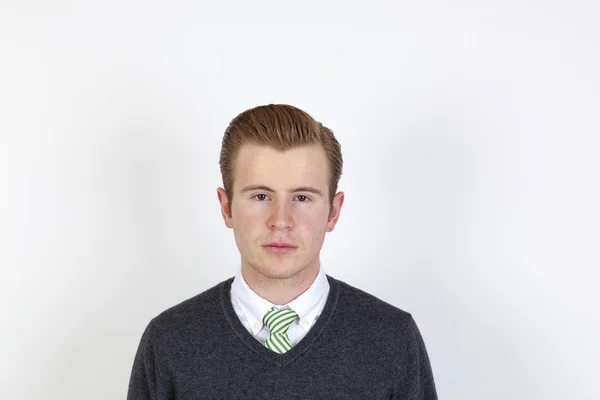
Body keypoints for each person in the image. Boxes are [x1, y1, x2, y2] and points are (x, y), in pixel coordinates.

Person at [127, 104, 438, 399]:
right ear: (226, 207)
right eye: (261, 196)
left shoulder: (392, 339)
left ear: (333, 211)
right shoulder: (169, 342)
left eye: (302, 198)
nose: (281, 221)